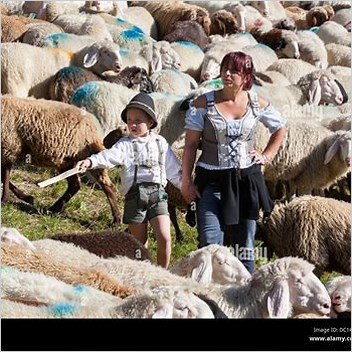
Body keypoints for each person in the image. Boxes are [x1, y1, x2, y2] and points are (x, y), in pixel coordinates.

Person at [181, 51, 287, 273]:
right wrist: (186, 182)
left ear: (246, 76)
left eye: (235, 71)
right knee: (209, 247)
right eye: (225, 69)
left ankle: (246, 298)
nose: (227, 74)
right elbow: (190, 145)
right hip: (211, 181)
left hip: (245, 181)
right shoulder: (204, 103)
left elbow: (280, 127)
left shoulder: (257, 103)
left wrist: (265, 155)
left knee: (245, 248)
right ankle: (208, 299)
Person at [76, 92, 182, 268]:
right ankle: (143, 271)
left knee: (164, 236)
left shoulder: (160, 143)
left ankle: (163, 273)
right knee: (139, 243)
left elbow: (173, 171)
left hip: (158, 194)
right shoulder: (125, 144)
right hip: (135, 196)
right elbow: (109, 156)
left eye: (138, 120)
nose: (132, 124)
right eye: (129, 119)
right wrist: (91, 161)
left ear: (150, 122)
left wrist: (187, 187)